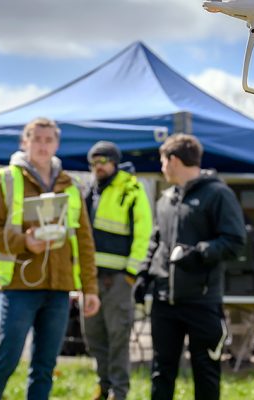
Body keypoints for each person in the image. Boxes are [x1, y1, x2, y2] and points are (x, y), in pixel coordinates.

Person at [0, 117, 101, 400]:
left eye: (48, 140)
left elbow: (84, 241)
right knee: (5, 361)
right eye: (37, 139)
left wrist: (89, 288)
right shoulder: (6, 178)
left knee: (44, 367)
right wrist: (25, 242)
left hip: (58, 289)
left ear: (57, 144)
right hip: (19, 288)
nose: (43, 146)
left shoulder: (71, 185)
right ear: (24, 142)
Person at [135, 134, 246, 400]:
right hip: (164, 301)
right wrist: (143, 273)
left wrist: (198, 253)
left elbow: (235, 241)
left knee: (206, 371)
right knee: (161, 371)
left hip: (202, 300)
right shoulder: (166, 199)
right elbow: (157, 241)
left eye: (163, 161)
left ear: (173, 160)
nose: (161, 167)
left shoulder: (218, 194)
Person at [82, 141, 153, 400]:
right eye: (93, 163)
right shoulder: (88, 190)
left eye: (103, 161)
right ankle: (104, 386)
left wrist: (131, 274)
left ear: (114, 162)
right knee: (93, 337)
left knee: (118, 339)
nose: (98, 167)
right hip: (90, 280)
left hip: (119, 281)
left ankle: (119, 393)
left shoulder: (132, 188)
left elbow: (143, 233)